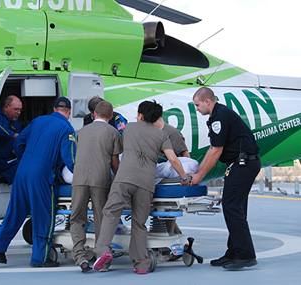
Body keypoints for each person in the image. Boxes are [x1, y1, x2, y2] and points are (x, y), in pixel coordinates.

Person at [92, 100, 189, 274]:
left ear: (141, 115)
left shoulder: (129, 128)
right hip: (146, 183)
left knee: (111, 213)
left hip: (125, 178)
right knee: (139, 223)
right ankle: (141, 264)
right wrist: (184, 177)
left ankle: (104, 250)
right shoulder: (162, 135)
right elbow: (173, 159)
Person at [0, 97, 76, 267]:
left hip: (22, 171)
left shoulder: (38, 120)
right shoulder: (67, 128)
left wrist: (26, 160)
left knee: (15, 211)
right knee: (43, 215)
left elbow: (20, 142)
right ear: (70, 112)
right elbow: (69, 159)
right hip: (42, 174)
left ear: (53, 109)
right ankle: (40, 258)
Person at [190, 87, 261, 271]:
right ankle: (234, 252)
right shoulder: (218, 115)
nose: (196, 109)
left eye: (197, 105)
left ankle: (245, 255)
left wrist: (199, 177)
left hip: (243, 164)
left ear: (207, 101)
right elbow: (212, 148)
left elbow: (216, 151)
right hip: (242, 164)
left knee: (231, 206)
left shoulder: (220, 117)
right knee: (236, 207)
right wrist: (197, 172)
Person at [70, 101, 123, 273]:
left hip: (79, 179)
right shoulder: (113, 133)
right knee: (101, 218)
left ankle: (79, 256)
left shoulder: (81, 132)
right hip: (100, 180)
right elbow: (115, 163)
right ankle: (102, 257)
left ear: (94, 114)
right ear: (110, 116)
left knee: (77, 217)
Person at [153, 112, 194, 235]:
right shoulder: (153, 132)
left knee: (167, 218)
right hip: (159, 179)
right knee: (163, 218)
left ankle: (172, 245)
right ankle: (182, 243)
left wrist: (184, 177)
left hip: (169, 181)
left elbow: (186, 158)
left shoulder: (172, 134)